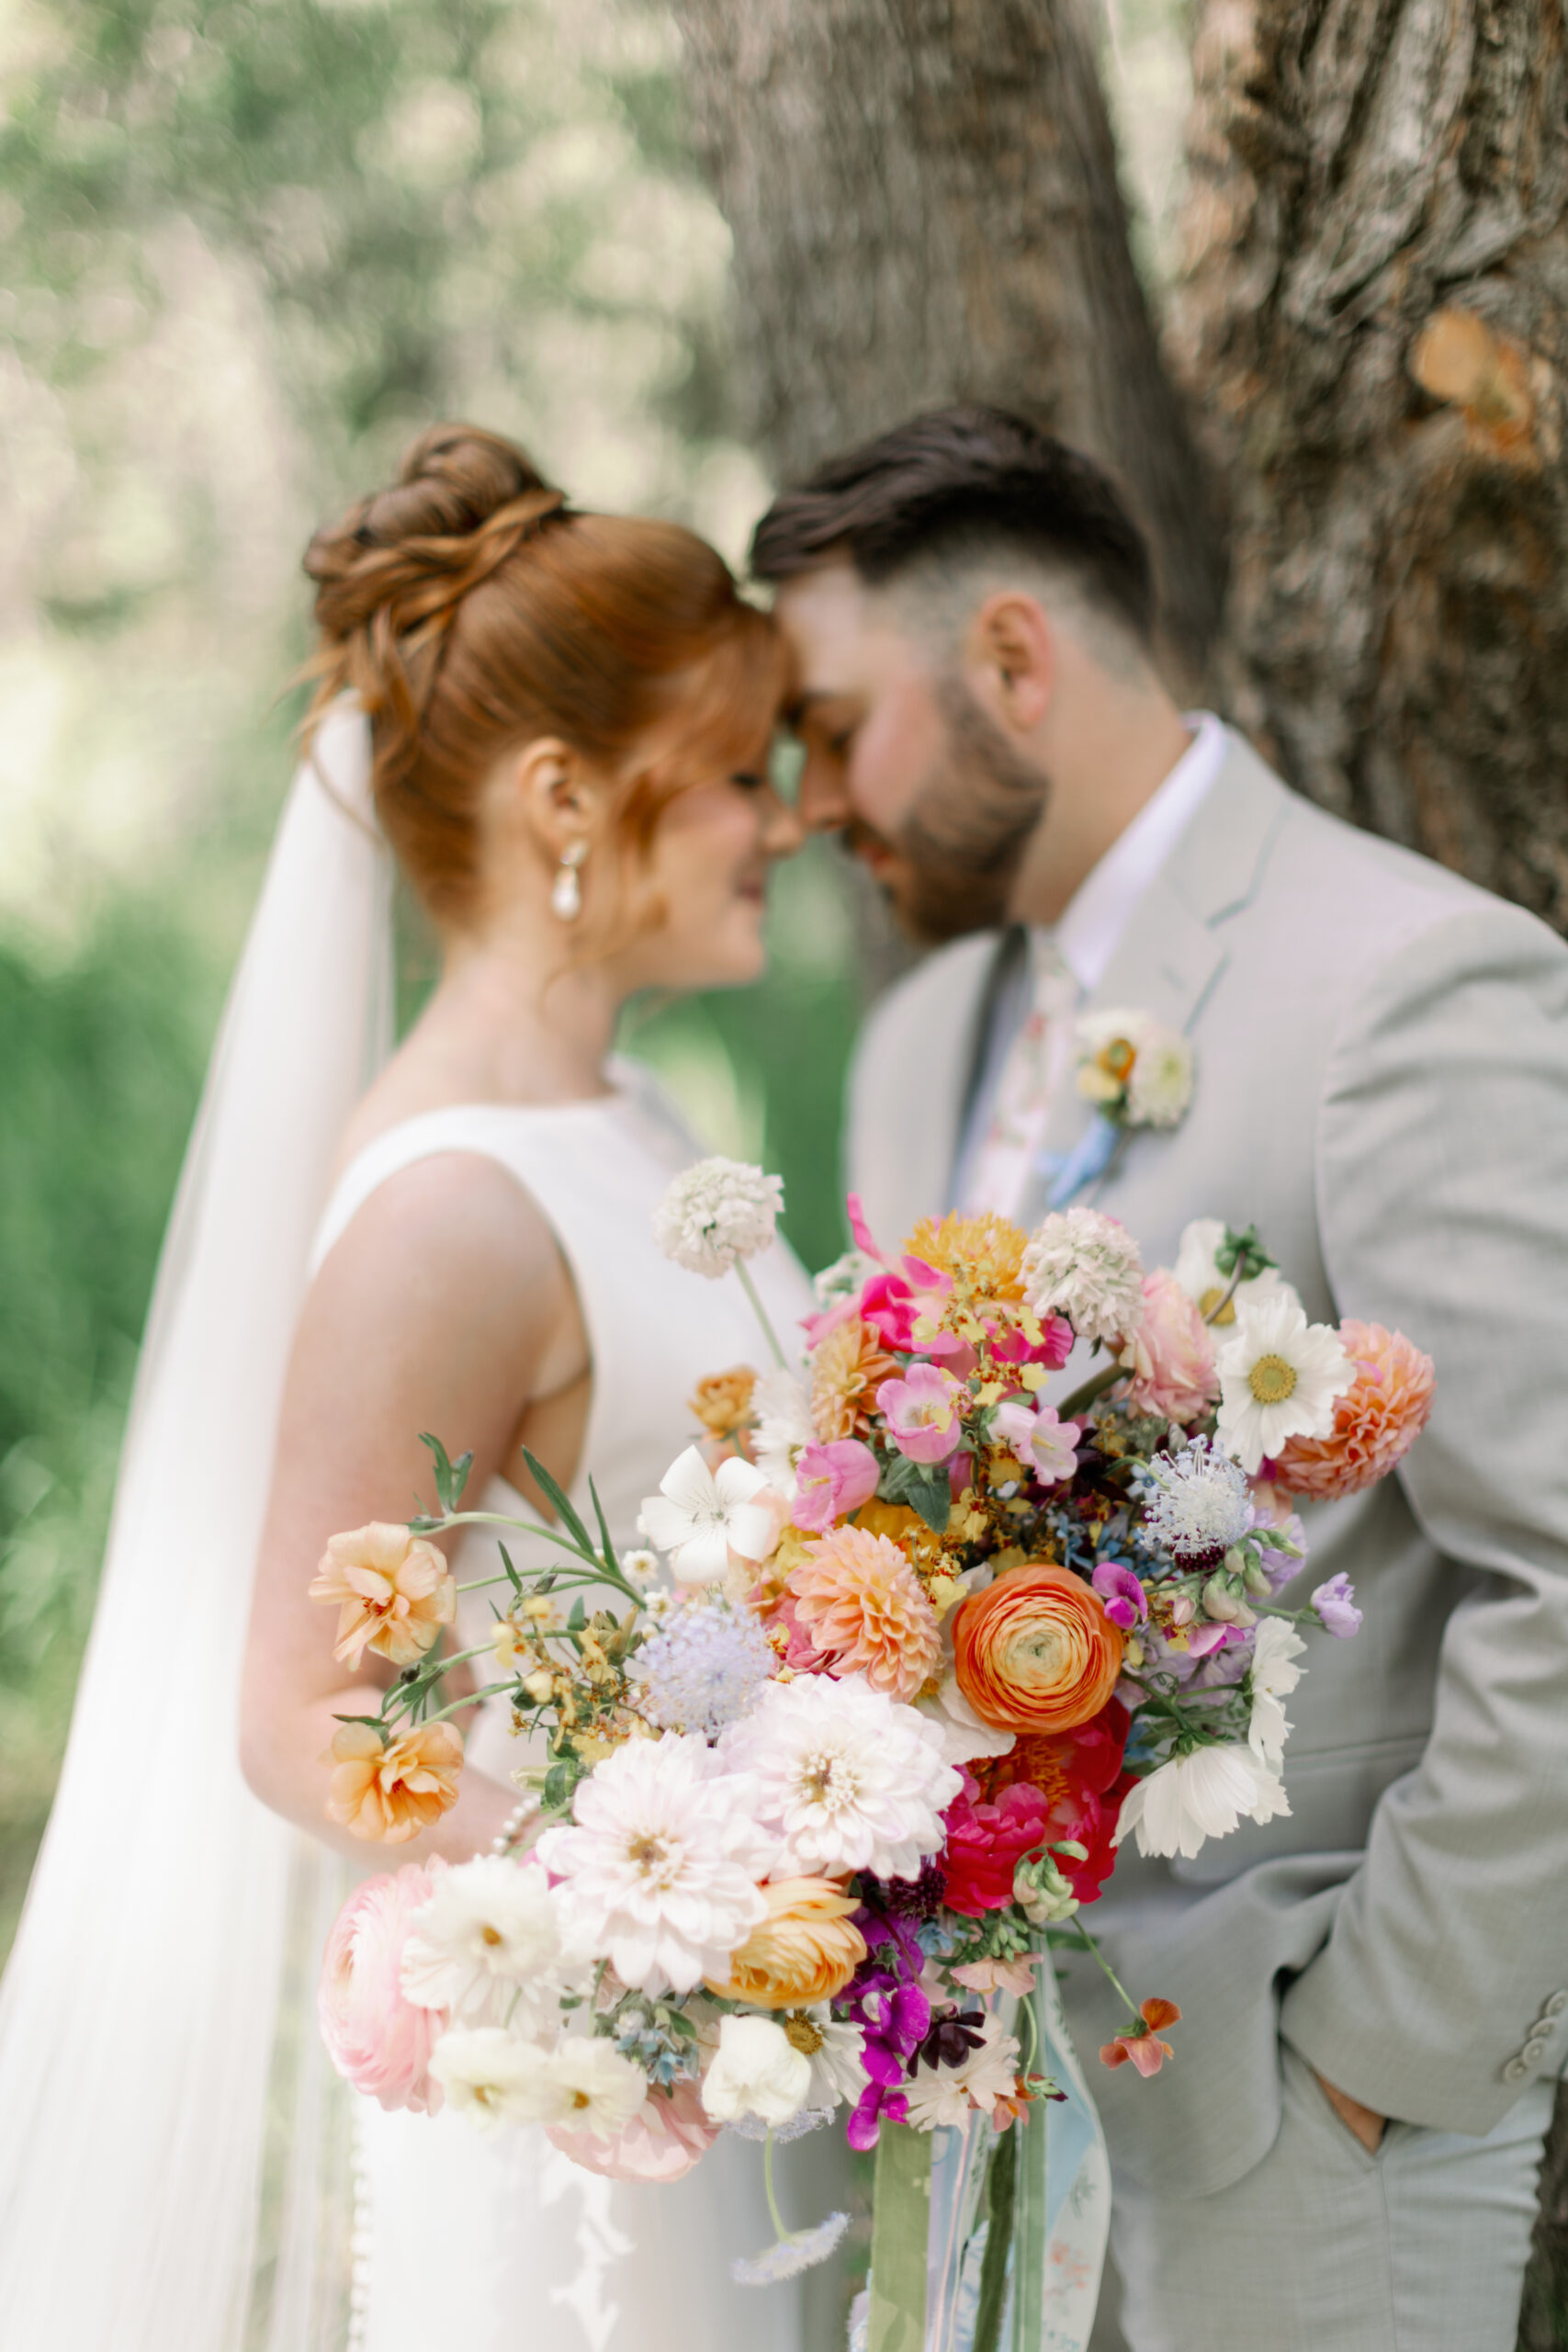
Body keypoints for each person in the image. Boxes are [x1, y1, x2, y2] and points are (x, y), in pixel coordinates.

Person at [0, 424, 828, 2352]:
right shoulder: (453, 1205)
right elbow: (300, 1717)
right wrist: (677, 1893)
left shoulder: (620, 1114)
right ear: (563, 796)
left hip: (722, 2044)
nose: (778, 820)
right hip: (578, 2074)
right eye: (731, 776)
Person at [753, 403, 1568, 2352]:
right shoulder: (920, 1033)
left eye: (832, 725)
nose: (803, 804)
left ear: (1010, 661)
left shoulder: (1405, 984)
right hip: (972, 2113)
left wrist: (1379, 2053)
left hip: (1299, 2106)